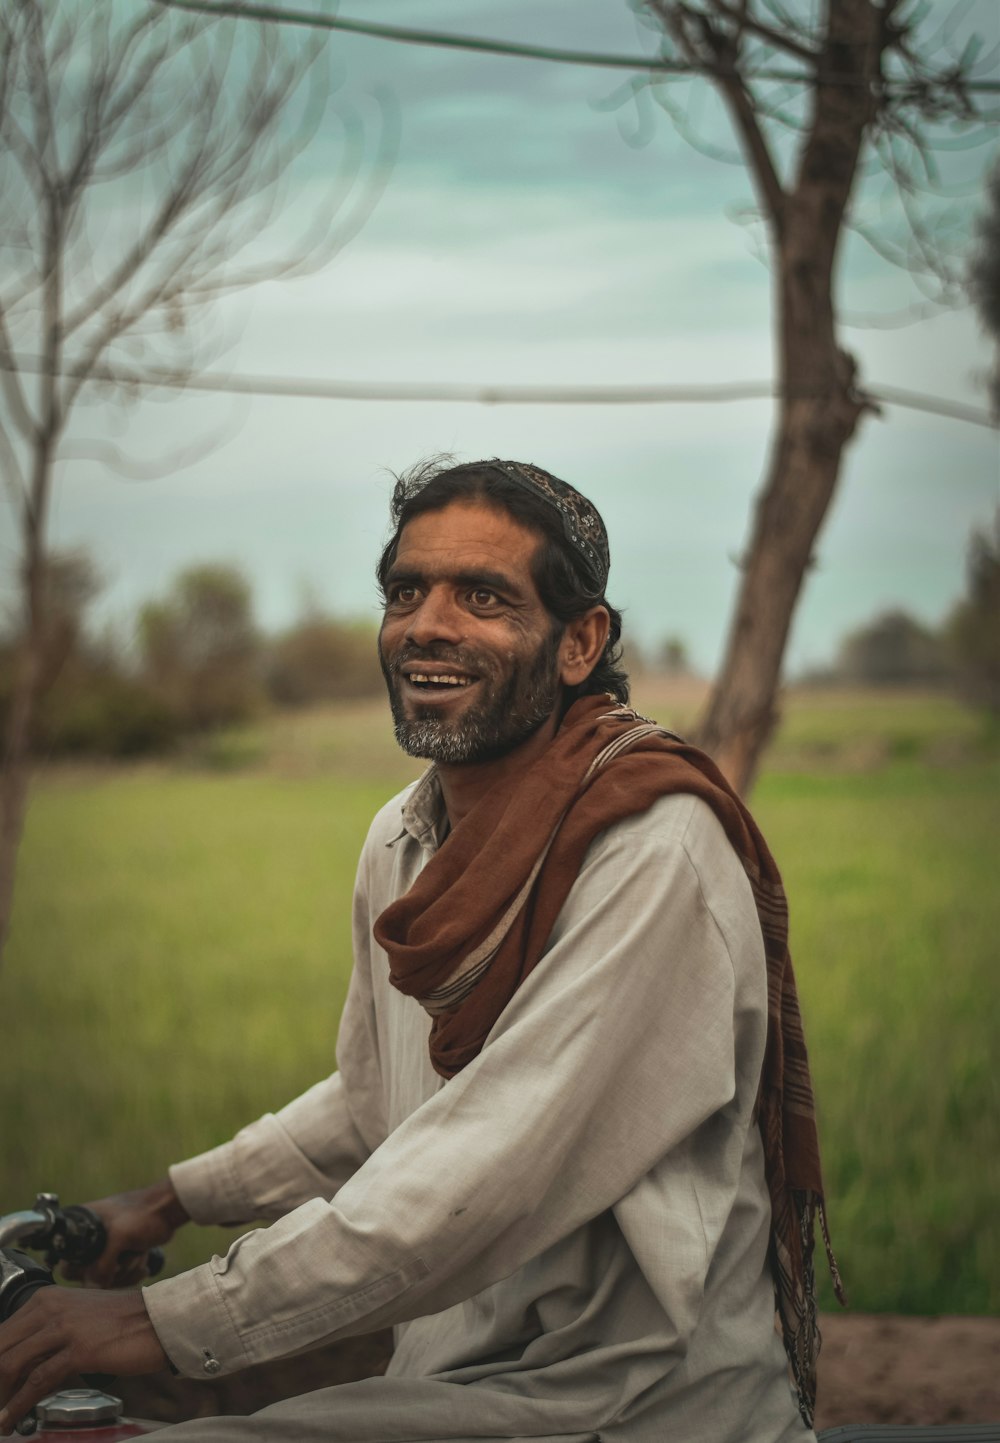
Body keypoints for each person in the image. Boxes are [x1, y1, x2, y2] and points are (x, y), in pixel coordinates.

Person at [0, 458, 840, 1442]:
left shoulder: (652, 853)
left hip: (628, 1405)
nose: (425, 624)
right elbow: (375, 1104)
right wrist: (165, 1200)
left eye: (481, 596)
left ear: (580, 641)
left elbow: (479, 1175)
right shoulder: (405, 835)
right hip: (457, 1379)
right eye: (406, 591)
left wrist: (153, 1323)